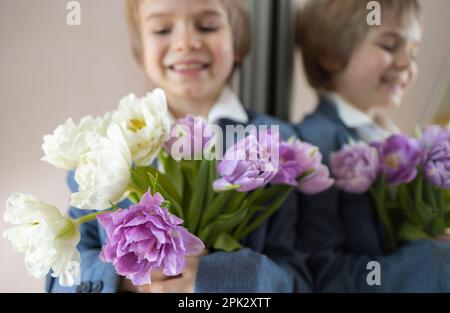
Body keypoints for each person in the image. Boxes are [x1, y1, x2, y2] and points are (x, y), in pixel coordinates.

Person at [46, 0, 312, 293]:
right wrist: (124, 278)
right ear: (140, 53)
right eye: (162, 29)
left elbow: (300, 277)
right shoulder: (103, 147)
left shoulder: (275, 140)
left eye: (207, 26)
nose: (186, 43)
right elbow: (58, 278)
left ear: (238, 43)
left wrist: (215, 277)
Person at [294, 0, 450, 292]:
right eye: (390, 46)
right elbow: (326, 273)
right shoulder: (315, 144)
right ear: (330, 55)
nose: (407, 64)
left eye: (413, 52)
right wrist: (437, 260)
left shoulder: (401, 139)